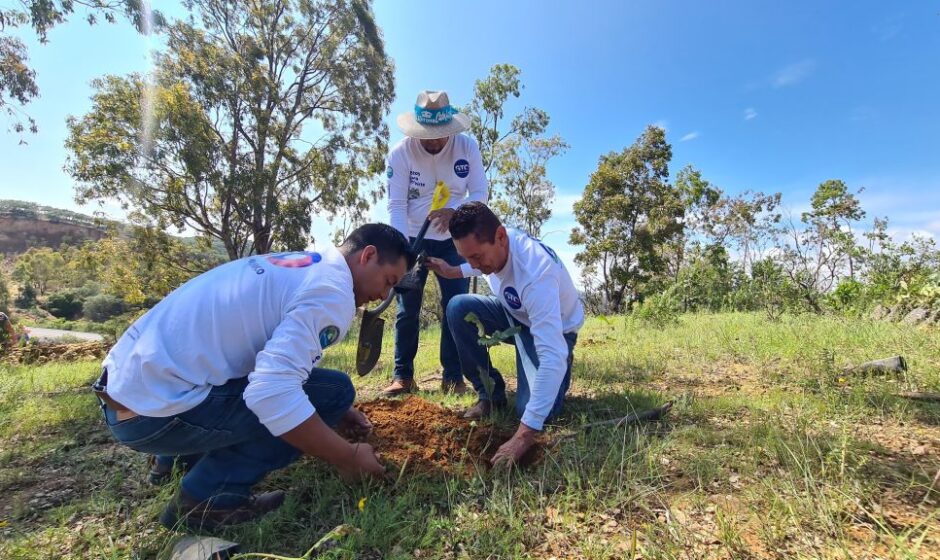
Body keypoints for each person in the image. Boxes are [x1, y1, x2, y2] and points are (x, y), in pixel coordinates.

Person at [93, 224, 415, 531]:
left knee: (329, 393)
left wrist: (338, 414)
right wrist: (347, 456)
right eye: (388, 281)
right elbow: (270, 393)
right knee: (333, 392)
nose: (383, 295)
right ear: (368, 255)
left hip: (125, 396)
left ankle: (174, 460)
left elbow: (257, 355)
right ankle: (206, 499)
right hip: (151, 416)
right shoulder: (333, 293)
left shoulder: (302, 265)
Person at [426, 202, 585, 466]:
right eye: (466, 257)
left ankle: (561, 371)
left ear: (501, 237)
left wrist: (522, 437)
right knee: (458, 307)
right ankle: (490, 395)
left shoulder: (536, 276)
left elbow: (551, 356)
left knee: (531, 411)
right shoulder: (491, 247)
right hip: (514, 314)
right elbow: (474, 263)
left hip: (553, 330)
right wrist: (452, 270)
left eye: (476, 257)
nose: (474, 264)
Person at [382, 90, 489, 396]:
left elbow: (480, 193)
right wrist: (403, 251)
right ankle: (403, 376)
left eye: (440, 136)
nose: (433, 142)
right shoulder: (400, 154)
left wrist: (457, 212)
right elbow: (396, 206)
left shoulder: (467, 147)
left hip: (454, 242)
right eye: (427, 135)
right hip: (414, 237)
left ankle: (452, 377)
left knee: (454, 308)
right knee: (407, 308)